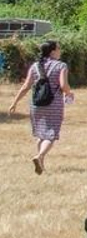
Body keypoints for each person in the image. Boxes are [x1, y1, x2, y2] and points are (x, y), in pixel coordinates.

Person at [7, 40, 73, 174]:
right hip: (53, 103)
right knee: (51, 134)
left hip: (36, 103)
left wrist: (14, 102)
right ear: (52, 51)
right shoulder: (61, 66)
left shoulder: (35, 66)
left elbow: (26, 86)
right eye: (58, 49)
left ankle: (41, 164)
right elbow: (63, 85)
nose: (60, 51)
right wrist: (69, 93)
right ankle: (40, 156)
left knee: (41, 133)